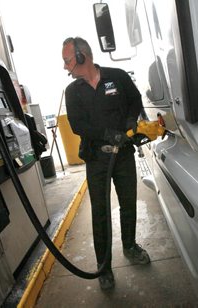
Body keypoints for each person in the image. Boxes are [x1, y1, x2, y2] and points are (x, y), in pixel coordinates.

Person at [61, 37, 150, 290]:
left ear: (81, 56)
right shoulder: (73, 91)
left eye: (67, 60)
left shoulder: (117, 76)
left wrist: (131, 121)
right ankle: (104, 267)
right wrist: (107, 134)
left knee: (128, 204)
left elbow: (135, 100)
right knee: (100, 213)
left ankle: (130, 246)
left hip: (122, 155)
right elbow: (78, 125)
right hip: (97, 158)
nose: (65, 66)